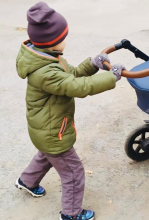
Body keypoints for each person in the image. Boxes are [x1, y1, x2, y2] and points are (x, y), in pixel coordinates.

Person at [15, 2, 124, 220]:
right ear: (52, 41)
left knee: (47, 155)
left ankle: (26, 181)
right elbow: (78, 87)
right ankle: (72, 214)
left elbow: (71, 74)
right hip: (54, 132)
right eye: (64, 37)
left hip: (45, 130)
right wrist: (111, 77)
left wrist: (92, 64)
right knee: (73, 172)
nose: (66, 40)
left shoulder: (45, 57)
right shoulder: (46, 71)